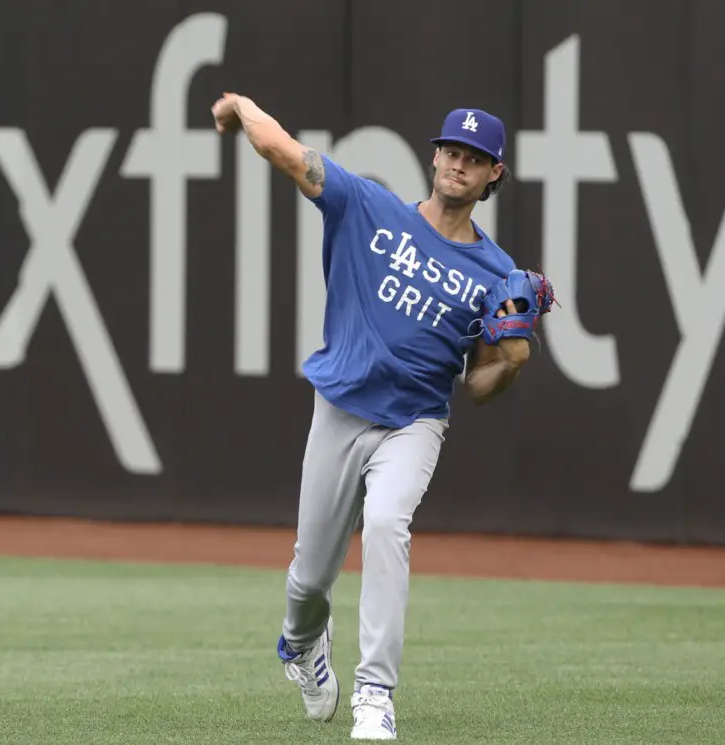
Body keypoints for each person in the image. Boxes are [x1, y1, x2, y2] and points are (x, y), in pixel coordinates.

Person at [212, 94, 549, 740]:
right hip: (341, 407)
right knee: (309, 577)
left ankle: (375, 694)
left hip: (414, 422)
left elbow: (477, 384)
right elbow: (287, 152)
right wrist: (240, 107)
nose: (459, 164)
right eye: (452, 150)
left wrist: (511, 360)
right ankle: (301, 640)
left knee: (388, 523)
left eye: (475, 158)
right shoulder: (368, 207)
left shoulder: (496, 273)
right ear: (434, 156)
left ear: (493, 175)